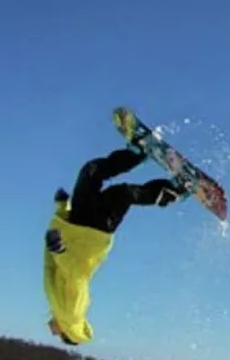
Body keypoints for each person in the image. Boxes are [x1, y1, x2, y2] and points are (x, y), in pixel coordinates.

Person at [44, 147, 184, 346]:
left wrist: (61, 208)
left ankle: (137, 153)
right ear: (67, 332)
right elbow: (77, 277)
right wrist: (60, 252)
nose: (52, 332)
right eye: (58, 335)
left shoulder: (55, 303)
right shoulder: (71, 313)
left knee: (90, 172)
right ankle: (172, 192)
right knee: (123, 194)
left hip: (74, 225)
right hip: (94, 235)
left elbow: (47, 262)